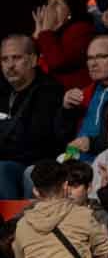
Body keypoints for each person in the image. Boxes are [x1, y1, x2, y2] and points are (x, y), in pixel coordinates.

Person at [0, 35, 66, 199]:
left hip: (36, 162)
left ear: (34, 60)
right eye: (4, 59)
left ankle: (14, 221)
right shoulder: (2, 90)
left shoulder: (50, 91)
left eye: (16, 58)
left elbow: (38, 142)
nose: (10, 65)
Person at [32, 0, 95, 91]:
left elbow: (58, 62)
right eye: (49, 3)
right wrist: (37, 33)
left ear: (70, 10)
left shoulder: (81, 29)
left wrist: (46, 31)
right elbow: (29, 63)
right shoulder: (48, 35)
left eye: (56, 3)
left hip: (74, 97)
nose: (50, 8)